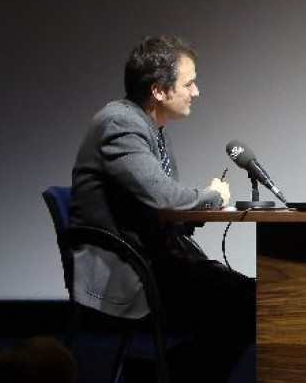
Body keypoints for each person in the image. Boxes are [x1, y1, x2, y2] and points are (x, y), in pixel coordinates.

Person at [70, 35, 254, 383]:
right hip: (130, 267)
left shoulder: (150, 126)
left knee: (257, 302)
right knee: (249, 308)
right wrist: (212, 196)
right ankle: (155, 377)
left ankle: (154, 374)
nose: (196, 92)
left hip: (159, 258)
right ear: (158, 90)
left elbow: (151, 206)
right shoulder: (120, 124)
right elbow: (165, 198)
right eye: (189, 83)